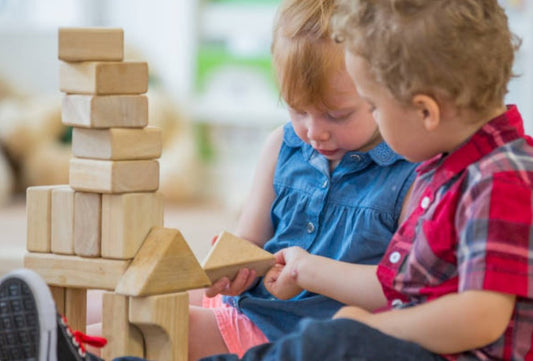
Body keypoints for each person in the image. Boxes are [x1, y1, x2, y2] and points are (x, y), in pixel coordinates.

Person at [80, 0, 417, 360]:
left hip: (289, 331)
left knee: (160, 327)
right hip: (246, 303)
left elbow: (400, 287)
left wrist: (309, 272)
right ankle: (47, 330)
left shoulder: (409, 173)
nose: (315, 132)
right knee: (128, 300)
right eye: (298, 109)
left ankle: (63, 347)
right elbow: (251, 240)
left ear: (384, 89)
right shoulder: (282, 145)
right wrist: (231, 267)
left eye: (336, 115)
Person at [196, 0, 531, 360]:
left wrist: (370, 327)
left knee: (319, 343)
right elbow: (399, 284)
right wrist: (303, 272)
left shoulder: (500, 178)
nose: (314, 132)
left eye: (374, 106)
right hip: (397, 339)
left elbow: (481, 319)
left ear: (425, 112)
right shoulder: (451, 166)